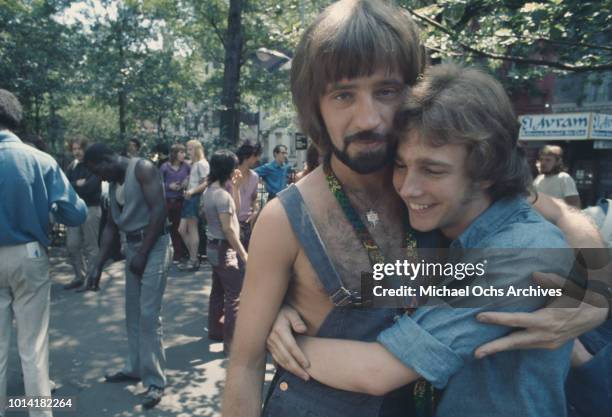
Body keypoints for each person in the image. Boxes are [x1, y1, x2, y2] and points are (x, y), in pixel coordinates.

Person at [223, 2, 608, 417]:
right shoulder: (285, 219)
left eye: (387, 91)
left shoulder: (444, 185)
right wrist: (269, 325)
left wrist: (595, 295)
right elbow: (244, 366)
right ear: (314, 105)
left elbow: (564, 218)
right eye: (343, 95)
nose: (368, 117)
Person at [267, 64, 578, 417]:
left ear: (487, 171)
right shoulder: (445, 232)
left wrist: (274, 335)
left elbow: (379, 370)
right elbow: (383, 291)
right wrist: (290, 301)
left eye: (433, 170)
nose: (408, 188)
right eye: (400, 165)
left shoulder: (523, 251)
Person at [0, 89, 87, 417]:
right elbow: (75, 213)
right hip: (29, 254)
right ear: (15, 119)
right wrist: (48, 211)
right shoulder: (40, 160)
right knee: (33, 348)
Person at [82, 143, 172, 409]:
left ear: (108, 159)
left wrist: (143, 253)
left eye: (97, 170)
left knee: (148, 315)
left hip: (154, 246)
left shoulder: (142, 168)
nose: (99, 176)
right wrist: (97, 264)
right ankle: (135, 367)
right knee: (132, 312)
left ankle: (155, 381)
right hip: (133, 248)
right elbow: (111, 225)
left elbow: (159, 210)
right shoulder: (113, 184)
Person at [201, 150, 248, 353]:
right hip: (224, 248)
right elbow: (228, 228)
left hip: (212, 247)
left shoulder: (210, 191)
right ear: (228, 169)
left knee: (218, 291)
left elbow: (234, 211)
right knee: (234, 295)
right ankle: (232, 343)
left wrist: (236, 187)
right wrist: (243, 253)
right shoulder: (221, 196)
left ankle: (215, 330)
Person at [63, 136, 102, 290]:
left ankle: (91, 279)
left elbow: (90, 188)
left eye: (80, 148)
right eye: (74, 149)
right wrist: (76, 184)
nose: (77, 152)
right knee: (72, 245)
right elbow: (64, 187)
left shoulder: (93, 165)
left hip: (91, 208)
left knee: (91, 246)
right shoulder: (71, 167)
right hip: (74, 210)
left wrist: (76, 187)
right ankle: (79, 276)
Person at [178, 139, 209, 271]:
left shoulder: (201, 164)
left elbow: (205, 182)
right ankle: (193, 257)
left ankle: (193, 259)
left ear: (196, 149)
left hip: (194, 199)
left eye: (190, 149)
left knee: (192, 230)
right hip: (190, 198)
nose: (187, 152)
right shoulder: (196, 164)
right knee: (182, 230)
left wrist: (192, 190)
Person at [160, 143, 190, 262]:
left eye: (184, 152)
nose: (184, 154)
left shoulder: (186, 166)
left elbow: (192, 177)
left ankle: (181, 254)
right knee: (168, 228)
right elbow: (159, 183)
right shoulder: (164, 167)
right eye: (181, 152)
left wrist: (185, 182)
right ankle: (169, 254)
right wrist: (169, 186)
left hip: (181, 200)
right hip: (167, 201)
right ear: (174, 154)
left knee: (181, 228)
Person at [233, 140, 262, 248]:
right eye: (256, 156)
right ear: (247, 156)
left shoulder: (255, 176)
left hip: (247, 224)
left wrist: (255, 210)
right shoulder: (231, 174)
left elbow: (256, 197)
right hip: (232, 222)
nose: (257, 159)